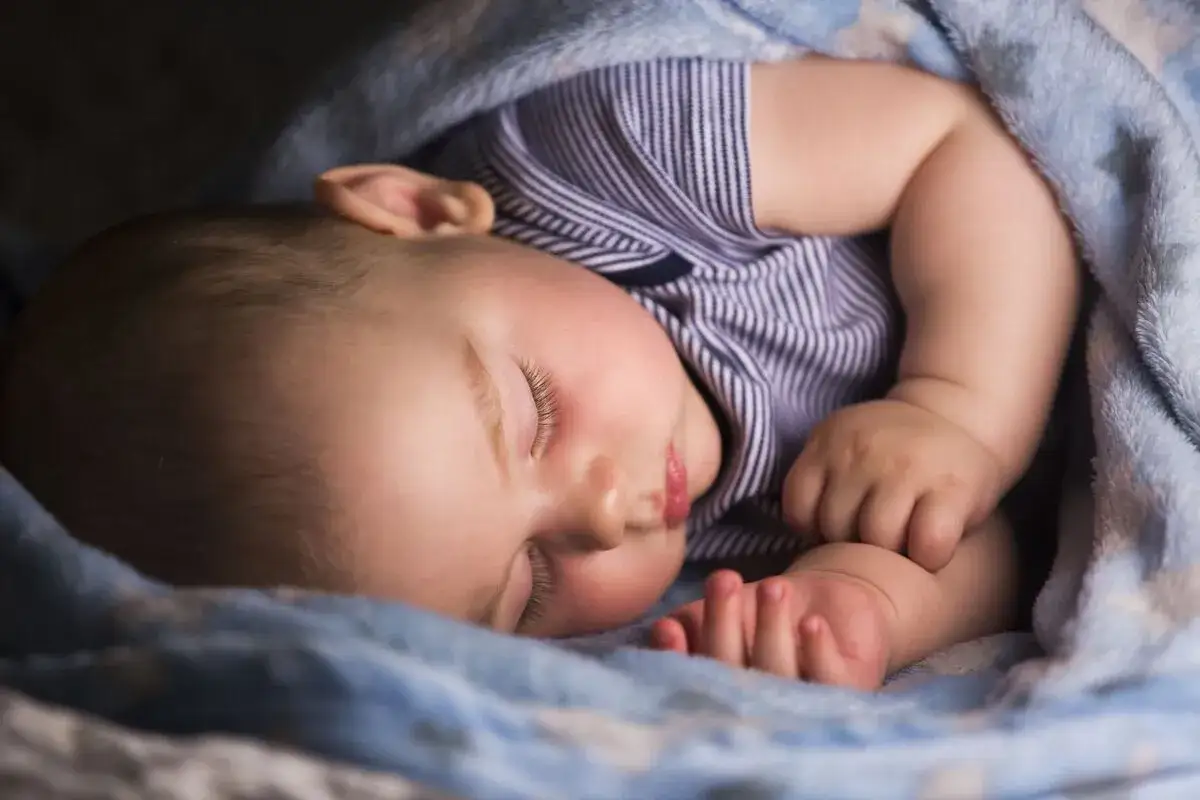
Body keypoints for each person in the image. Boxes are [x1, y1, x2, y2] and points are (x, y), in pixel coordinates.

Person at [0, 56, 1079, 689]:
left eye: (537, 410)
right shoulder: (664, 584)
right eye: (526, 585)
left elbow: (958, 140)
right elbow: (992, 538)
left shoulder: (607, 164)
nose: (603, 513)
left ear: (418, 210)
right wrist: (855, 602)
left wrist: (956, 406)